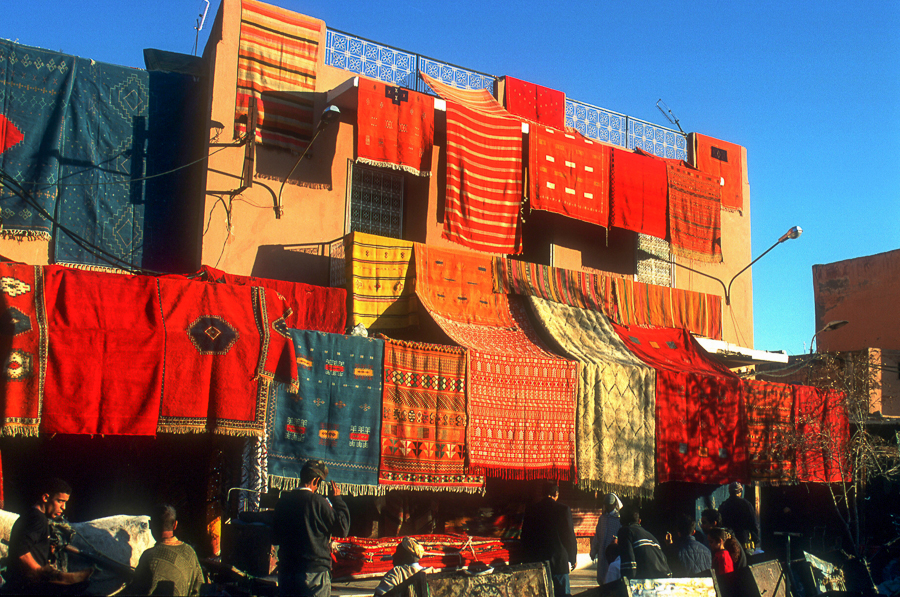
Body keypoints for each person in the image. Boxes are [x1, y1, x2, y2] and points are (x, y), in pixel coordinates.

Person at [273, 459, 350, 597]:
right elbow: (342, 528)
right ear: (316, 481)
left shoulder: (283, 502)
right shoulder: (318, 502)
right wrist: (337, 499)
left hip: (287, 572)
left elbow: (275, 537)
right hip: (314, 573)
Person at [4, 478, 93, 594]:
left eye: (65, 502)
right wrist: (46, 575)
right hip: (27, 587)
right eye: (60, 501)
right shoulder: (38, 519)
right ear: (45, 498)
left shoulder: (31, 515)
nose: (64, 507)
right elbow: (21, 552)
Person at [129, 504, 204, 596]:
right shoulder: (190, 552)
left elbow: (135, 591)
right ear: (175, 524)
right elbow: (199, 587)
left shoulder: (148, 557)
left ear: (150, 525)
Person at [521, 482, 577, 597]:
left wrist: (526, 559)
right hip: (559, 560)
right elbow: (569, 536)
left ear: (542, 493)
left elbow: (525, 536)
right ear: (556, 493)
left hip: (538, 559)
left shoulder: (532, 510)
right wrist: (572, 557)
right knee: (562, 593)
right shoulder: (563, 509)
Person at [616, 507, 671, 580]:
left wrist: (626, 584)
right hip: (664, 579)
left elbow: (629, 567)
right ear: (639, 521)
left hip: (646, 581)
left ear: (621, 521)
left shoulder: (625, 532)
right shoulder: (651, 537)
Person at [589, 493, 623, 586]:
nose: (607, 507)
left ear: (614, 505)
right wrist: (593, 551)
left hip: (613, 554)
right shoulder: (602, 519)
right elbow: (597, 536)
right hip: (602, 552)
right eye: (606, 505)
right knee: (602, 577)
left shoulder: (619, 519)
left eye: (609, 505)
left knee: (611, 577)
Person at [718, 482, 760, 551]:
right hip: (743, 541)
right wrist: (756, 539)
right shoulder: (746, 504)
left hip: (729, 541)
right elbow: (753, 522)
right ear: (740, 491)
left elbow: (720, 523)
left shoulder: (724, 505)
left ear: (729, 491)